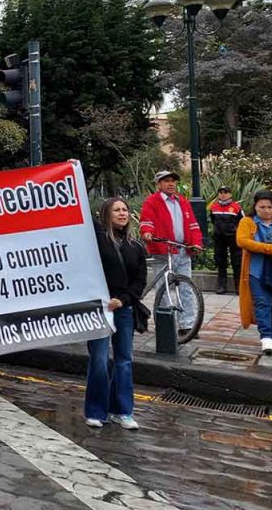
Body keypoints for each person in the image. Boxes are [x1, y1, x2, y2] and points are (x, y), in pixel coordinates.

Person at [85, 197, 146, 430]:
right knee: (99, 359)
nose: (122, 213)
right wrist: (71, 175)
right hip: (99, 308)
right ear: (106, 215)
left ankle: (122, 410)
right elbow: (79, 214)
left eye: (125, 210)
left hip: (123, 308)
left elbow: (140, 281)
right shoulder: (97, 240)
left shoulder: (136, 245)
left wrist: (122, 300)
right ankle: (95, 410)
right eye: (116, 210)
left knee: (124, 361)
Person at [139, 171, 203, 337]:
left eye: (173, 181)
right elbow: (146, 222)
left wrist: (196, 243)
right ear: (158, 184)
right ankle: (166, 325)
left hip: (182, 249)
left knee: (186, 288)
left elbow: (193, 225)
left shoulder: (182, 201)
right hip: (163, 250)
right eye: (166, 181)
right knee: (164, 289)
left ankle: (187, 325)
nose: (171, 184)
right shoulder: (152, 201)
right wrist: (147, 232)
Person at [236, 189, 272, 356]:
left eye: (269, 207)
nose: (266, 210)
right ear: (255, 206)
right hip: (256, 271)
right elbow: (242, 241)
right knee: (263, 303)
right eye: (261, 206)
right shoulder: (247, 222)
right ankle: (266, 337)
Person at [210, 186, 243, 294]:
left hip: (233, 238)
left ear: (230, 194)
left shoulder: (236, 207)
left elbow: (243, 222)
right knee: (220, 261)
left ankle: (238, 286)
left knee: (237, 261)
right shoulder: (214, 207)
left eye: (226, 192)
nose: (223, 194)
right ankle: (221, 285)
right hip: (219, 238)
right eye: (221, 192)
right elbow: (213, 220)